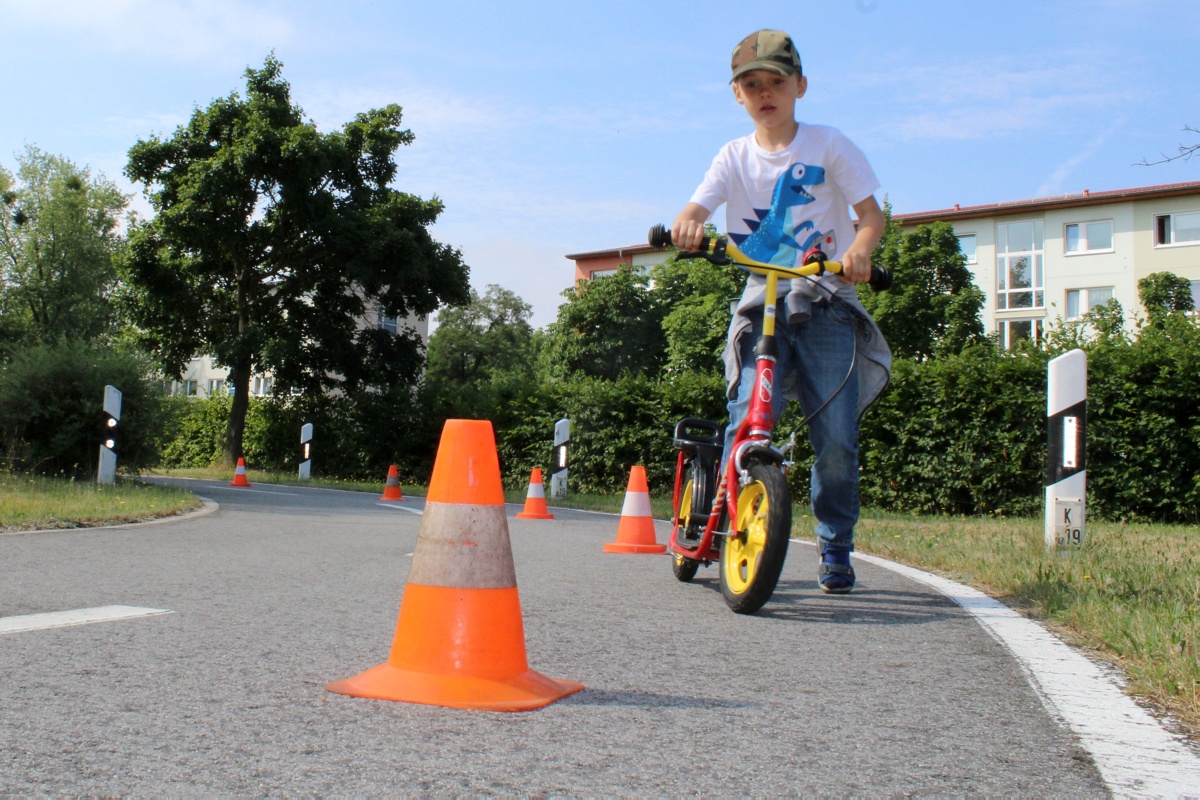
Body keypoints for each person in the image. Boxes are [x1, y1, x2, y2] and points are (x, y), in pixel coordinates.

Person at [670, 29, 891, 594]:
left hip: (826, 300)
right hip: (760, 300)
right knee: (746, 414)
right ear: (738, 96)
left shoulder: (828, 145)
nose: (765, 92)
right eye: (752, 84)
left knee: (836, 439)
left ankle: (836, 546)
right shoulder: (733, 156)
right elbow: (698, 205)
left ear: (800, 86)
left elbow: (871, 217)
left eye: (776, 82)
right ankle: (721, 525)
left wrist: (859, 253)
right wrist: (689, 223)